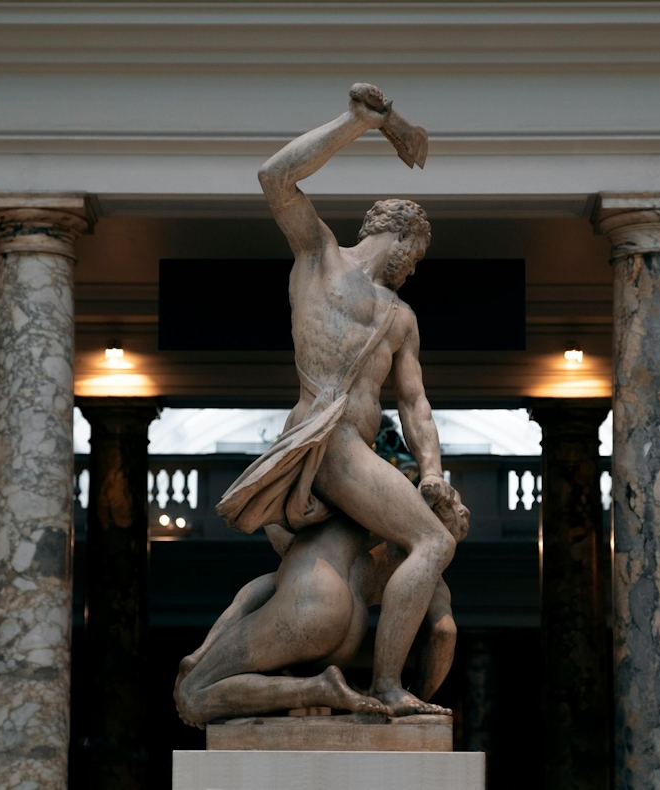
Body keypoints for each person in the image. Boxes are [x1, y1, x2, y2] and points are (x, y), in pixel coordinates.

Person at [213, 82, 454, 715]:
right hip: (329, 441)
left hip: (352, 449)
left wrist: (431, 470)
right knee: (432, 543)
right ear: (401, 238)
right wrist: (356, 123)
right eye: (416, 255)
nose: (413, 268)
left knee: (354, 561)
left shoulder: (399, 317)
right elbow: (276, 179)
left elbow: (416, 404)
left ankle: (315, 667)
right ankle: (388, 686)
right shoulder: (320, 259)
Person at [175, 486, 469, 728]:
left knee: (191, 696)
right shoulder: (426, 570)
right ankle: (320, 688)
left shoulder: (371, 508)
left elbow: (261, 587)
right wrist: (412, 698)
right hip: (350, 632)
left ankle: (318, 689)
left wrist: (203, 651)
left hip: (314, 598)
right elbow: (444, 633)